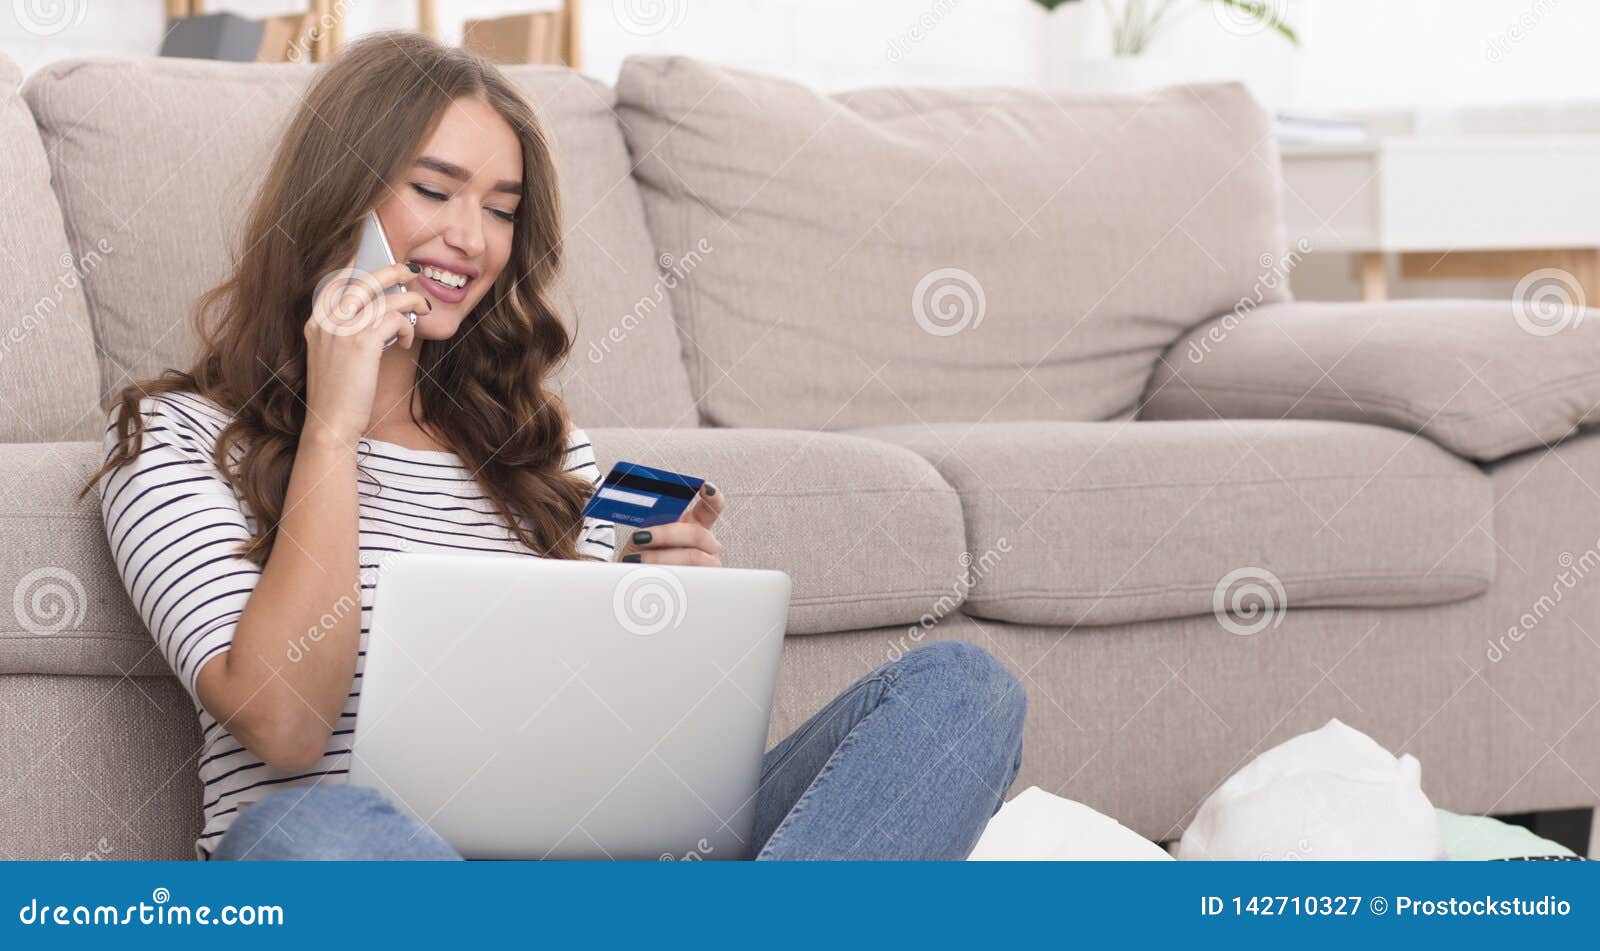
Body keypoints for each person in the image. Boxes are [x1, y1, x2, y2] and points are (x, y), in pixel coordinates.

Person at [88, 32, 1025, 861]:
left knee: (963, 692)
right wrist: (334, 426)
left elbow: (629, 764)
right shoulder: (176, 440)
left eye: (500, 208)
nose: (471, 239)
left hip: (588, 882)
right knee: (323, 831)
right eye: (432, 189)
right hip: (357, 866)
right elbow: (287, 728)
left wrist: (666, 611)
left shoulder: (541, 446)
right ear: (340, 195)